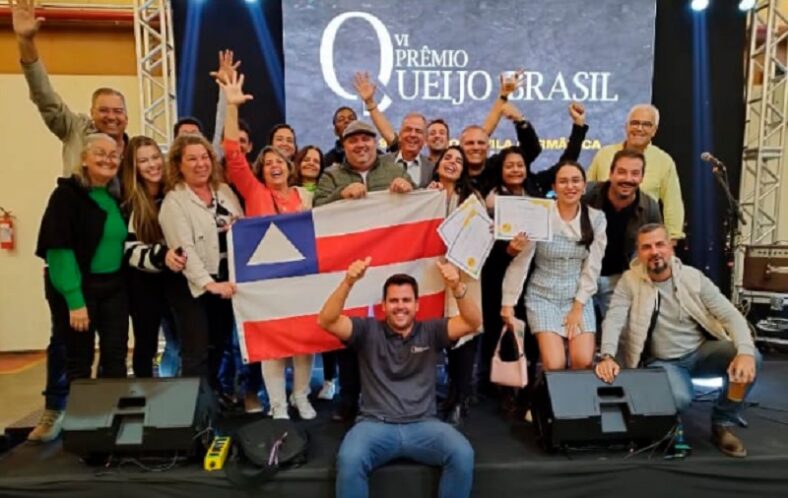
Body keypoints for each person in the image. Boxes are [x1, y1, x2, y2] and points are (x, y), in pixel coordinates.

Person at [319, 258, 481, 498]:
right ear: (383, 305)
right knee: (349, 459)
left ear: (417, 305)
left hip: (423, 425)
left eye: (406, 300)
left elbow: (472, 322)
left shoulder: (431, 331)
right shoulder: (367, 330)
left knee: (462, 453)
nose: (400, 306)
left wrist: (458, 287)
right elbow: (327, 320)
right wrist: (348, 281)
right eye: (393, 301)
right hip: (375, 425)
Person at [596, 223, 761, 457]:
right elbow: (613, 320)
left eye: (660, 244)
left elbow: (730, 315)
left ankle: (723, 423)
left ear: (671, 247)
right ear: (639, 253)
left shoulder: (693, 277)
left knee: (752, 356)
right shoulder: (629, 281)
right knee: (681, 398)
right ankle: (672, 425)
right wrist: (607, 356)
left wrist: (744, 351)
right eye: (646, 247)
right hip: (663, 362)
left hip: (701, 352)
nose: (654, 252)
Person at [219, 72, 316, 419]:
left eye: (280, 162)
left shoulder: (305, 196)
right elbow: (232, 154)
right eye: (268, 163)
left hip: (301, 281)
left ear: (291, 168)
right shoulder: (255, 192)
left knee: (305, 343)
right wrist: (231, 106)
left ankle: (300, 396)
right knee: (273, 345)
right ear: (261, 171)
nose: (274, 166)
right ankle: (277, 403)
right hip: (265, 283)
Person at [313, 119, 414, 421]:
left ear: (375, 142)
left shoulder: (394, 169)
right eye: (353, 141)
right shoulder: (331, 175)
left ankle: (391, 399)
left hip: (390, 265)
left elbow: (419, 205)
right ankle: (348, 401)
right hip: (349, 270)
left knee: (390, 336)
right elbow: (316, 212)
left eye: (366, 139)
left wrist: (409, 189)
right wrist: (339, 197)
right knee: (351, 337)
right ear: (343, 146)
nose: (360, 145)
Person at [32, 134, 129, 442]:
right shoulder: (66, 196)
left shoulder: (116, 196)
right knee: (79, 358)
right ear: (84, 158)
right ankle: (81, 428)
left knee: (115, 356)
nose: (108, 159)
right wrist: (75, 300)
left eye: (113, 154)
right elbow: (59, 251)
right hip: (78, 289)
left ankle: (112, 422)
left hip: (113, 287)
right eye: (99, 153)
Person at [501, 161, 607, 371]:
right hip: (542, 296)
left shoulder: (596, 218)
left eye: (576, 181)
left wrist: (578, 307)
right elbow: (521, 263)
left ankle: (577, 404)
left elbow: (592, 268)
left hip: (578, 297)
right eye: (563, 181)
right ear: (554, 187)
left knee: (583, 361)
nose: (570, 186)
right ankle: (547, 400)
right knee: (554, 363)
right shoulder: (540, 214)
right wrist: (508, 302)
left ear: (584, 186)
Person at [159, 134, 243, 389]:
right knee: (196, 353)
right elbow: (185, 250)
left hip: (225, 281)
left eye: (204, 157)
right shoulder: (174, 201)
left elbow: (242, 223)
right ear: (178, 164)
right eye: (192, 159)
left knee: (219, 345)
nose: (200, 164)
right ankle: (193, 413)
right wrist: (209, 284)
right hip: (192, 287)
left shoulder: (223, 190)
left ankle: (212, 401)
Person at [12, 0, 128, 175]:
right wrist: (25, 42)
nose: (111, 117)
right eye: (104, 110)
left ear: (126, 117)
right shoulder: (75, 130)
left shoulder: (136, 152)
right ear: (92, 113)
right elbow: (44, 97)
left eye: (118, 111)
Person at [120, 136, 187, 378]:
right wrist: (161, 256)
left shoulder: (176, 194)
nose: (152, 165)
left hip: (178, 281)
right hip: (143, 285)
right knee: (146, 344)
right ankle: (146, 394)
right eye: (143, 160)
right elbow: (130, 251)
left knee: (182, 341)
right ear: (133, 166)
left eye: (155, 157)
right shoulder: (130, 204)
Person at [427, 146, 484, 425]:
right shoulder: (425, 195)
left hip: (463, 277)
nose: (452, 163)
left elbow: (482, 240)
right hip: (429, 276)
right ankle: (432, 399)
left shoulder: (473, 200)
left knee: (463, 338)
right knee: (432, 336)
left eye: (458, 161)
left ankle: (460, 399)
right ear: (437, 164)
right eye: (447, 158)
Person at [587, 104, 685, 242]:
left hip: (641, 241)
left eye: (646, 124)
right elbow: (585, 192)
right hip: (599, 236)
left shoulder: (664, 161)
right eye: (635, 123)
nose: (639, 128)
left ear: (654, 130)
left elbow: (672, 205)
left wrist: (672, 239)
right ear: (626, 126)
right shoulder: (604, 154)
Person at [583, 149, 662, 318]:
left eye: (635, 173)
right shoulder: (587, 194)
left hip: (619, 279)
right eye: (621, 172)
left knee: (622, 338)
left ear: (642, 177)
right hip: (581, 276)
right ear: (610, 174)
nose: (628, 179)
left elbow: (657, 248)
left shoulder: (650, 207)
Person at [353, 72, 434, 187]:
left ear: (425, 140)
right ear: (399, 135)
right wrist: (370, 102)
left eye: (418, 131)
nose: (412, 134)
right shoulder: (379, 163)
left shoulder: (432, 169)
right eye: (408, 130)